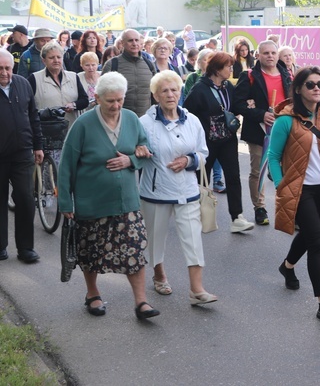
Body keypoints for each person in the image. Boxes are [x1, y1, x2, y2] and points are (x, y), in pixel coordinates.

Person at [57, 72, 159, 320]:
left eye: (120, 100)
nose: (116, 105)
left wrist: (131, 159)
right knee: (91, 251)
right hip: (91, 201)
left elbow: (147, 152)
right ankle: (92, 294)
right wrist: (65, 202)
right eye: (110, 101)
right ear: (97, 98)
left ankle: (141, 301)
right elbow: (67, 164)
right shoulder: (83, 124)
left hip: (126, 201)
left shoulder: (133, 120)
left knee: (134, 251)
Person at [268, 67, 320, 321]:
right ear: (299, 88)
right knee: (316, 240)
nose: (317, 88)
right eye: (311, 84)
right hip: (299, 189)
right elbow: (273, 156)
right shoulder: (285, 120)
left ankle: (287, 266)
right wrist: (281, 184)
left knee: (308, 237)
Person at [139, 71, 217, 306]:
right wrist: (139, 152)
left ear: (180, 91)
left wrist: (189, 160)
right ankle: (159, 274)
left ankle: (196, 289)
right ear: (155, 95)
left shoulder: (192, 120)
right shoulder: (144, 123)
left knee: (193, 238)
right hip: (156, 191)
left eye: (174, 89)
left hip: (187, 190)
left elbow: (204, 152)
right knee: (155, 237)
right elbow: (135, 152)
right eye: (164, 90)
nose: (170, 94)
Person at [183, 52, 255, 233]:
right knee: (202, 178)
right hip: (207, 142)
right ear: (216, 69)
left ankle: (237, 217)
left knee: (233, 176)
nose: (231, 69)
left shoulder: (227, 86)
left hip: (228, 140)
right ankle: (198, 215)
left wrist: (249, 107)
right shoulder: (200, 89)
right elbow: (187, 115)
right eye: (228, 66)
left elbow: (235, 106)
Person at [233, 39, 292, 226]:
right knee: (258, 170)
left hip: (284, 130)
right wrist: (260, 115)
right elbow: (238, 103)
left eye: (273, 53)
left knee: (288, 171)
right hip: (259, 131)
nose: (270, 56)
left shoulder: (286, 74)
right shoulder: (249, 75)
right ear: (258, 55)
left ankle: (291, 210)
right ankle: (259, 207)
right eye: (266, 53)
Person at [0, 49, 43, 263]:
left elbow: (33, 116)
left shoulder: (22, 84)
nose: (5, 73)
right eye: (0, 68)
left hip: (23, 153)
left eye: (8, 68)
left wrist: (38, 145)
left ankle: (26, 248)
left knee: (26, 199)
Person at [184, 49, 226, 193]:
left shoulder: (224, 83)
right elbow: (188, 102)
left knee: (218, 157)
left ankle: (217, 179)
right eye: (206, 59)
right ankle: (201, 193)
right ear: (199, 62)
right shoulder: (194, 78)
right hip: (202, 126)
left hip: (219, 128)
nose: (209, 63)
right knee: (204, 161)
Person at [28, 42, 89, 132]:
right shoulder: (34, 79)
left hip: (71, 130)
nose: (56, 60)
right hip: (45, 132)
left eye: (59, 57)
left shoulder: (73, 76)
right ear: (44, 60)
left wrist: (74, 105)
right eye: (51, 58)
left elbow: (85, 100)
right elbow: (27, 107)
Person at [102, 29, 155, 117]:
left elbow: (155, 94)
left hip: (145, 119)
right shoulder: (112, 64)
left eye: (137, 40)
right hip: (119, 119)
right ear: (122, 43)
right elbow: (103, 94)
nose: (134, 43)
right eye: (130, 40)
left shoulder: (149, 64)